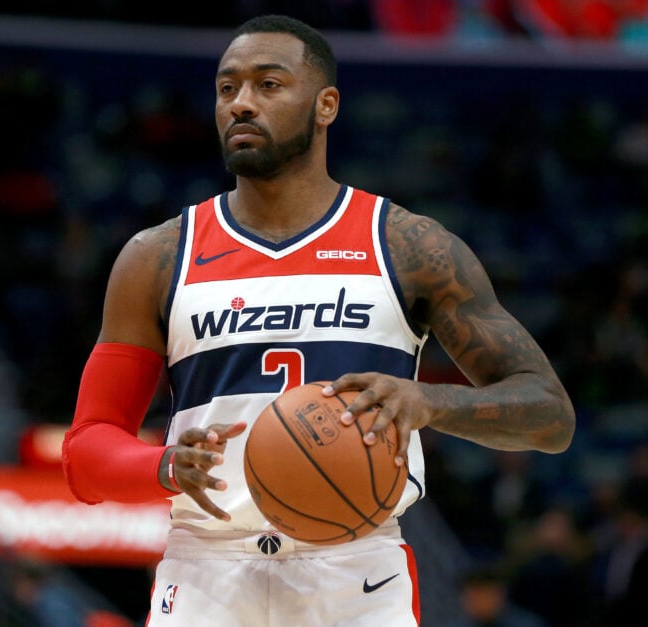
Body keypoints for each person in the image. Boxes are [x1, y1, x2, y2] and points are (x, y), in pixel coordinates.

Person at [61, 14, 575, 626]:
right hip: (207, 568)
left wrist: (428, 402)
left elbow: (550, 415)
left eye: (269, 85)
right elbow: (85, 451)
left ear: (326, 104)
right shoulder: (158, 256)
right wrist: (163, 464)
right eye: (228, 89)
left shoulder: (409, 247)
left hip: (356, 569)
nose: (242, 104)